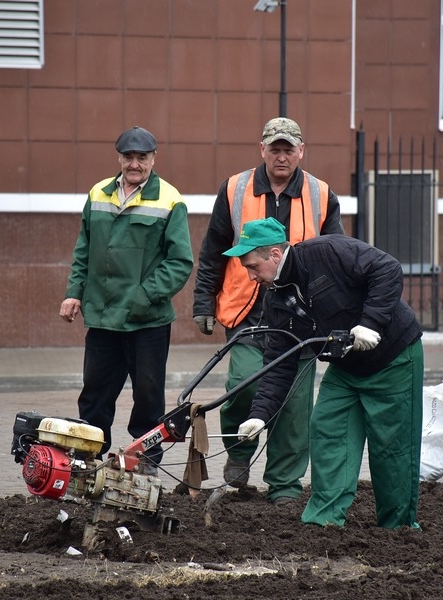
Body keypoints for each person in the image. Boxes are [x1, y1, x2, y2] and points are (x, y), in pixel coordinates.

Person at [225, 217, 424, 529]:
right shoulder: (276, 299)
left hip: (393, 357)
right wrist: (260, 415)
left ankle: (397, 529)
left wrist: (371, 322)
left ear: (275, 255)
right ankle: (323, 522)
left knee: (392, 448)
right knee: (328, 431)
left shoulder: (327, 251)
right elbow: (279, 360)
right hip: (346, 368)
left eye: (253, 267)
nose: (251, 276)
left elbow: (387, 268)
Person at [192, 117, 344, 504]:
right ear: (262, 149)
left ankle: (285, 486)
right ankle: (239, 457)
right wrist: (203, 302)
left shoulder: (321, 194)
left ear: (301, 151)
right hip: (248, 312)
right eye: (274, 148)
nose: (281, 156)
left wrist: (337, 314)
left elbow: (336, 256)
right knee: (244, 386)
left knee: (294, 405)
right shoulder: (235, 189)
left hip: (301, 316)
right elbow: (212, 251)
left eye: (288, 149)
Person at [59, 126, 194, 473]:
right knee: (95, 394)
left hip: (146, 320)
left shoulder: (170, 199)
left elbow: (180, 263)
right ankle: (87, 456)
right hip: (103, 318)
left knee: (148, 396)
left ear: (153, 159)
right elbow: (83, 251)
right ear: (119, 158)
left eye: (142, 157)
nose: (135, 164)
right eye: (129, 157)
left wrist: (143, 296)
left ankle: (145, 460)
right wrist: (74, 293)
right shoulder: (98, 194)